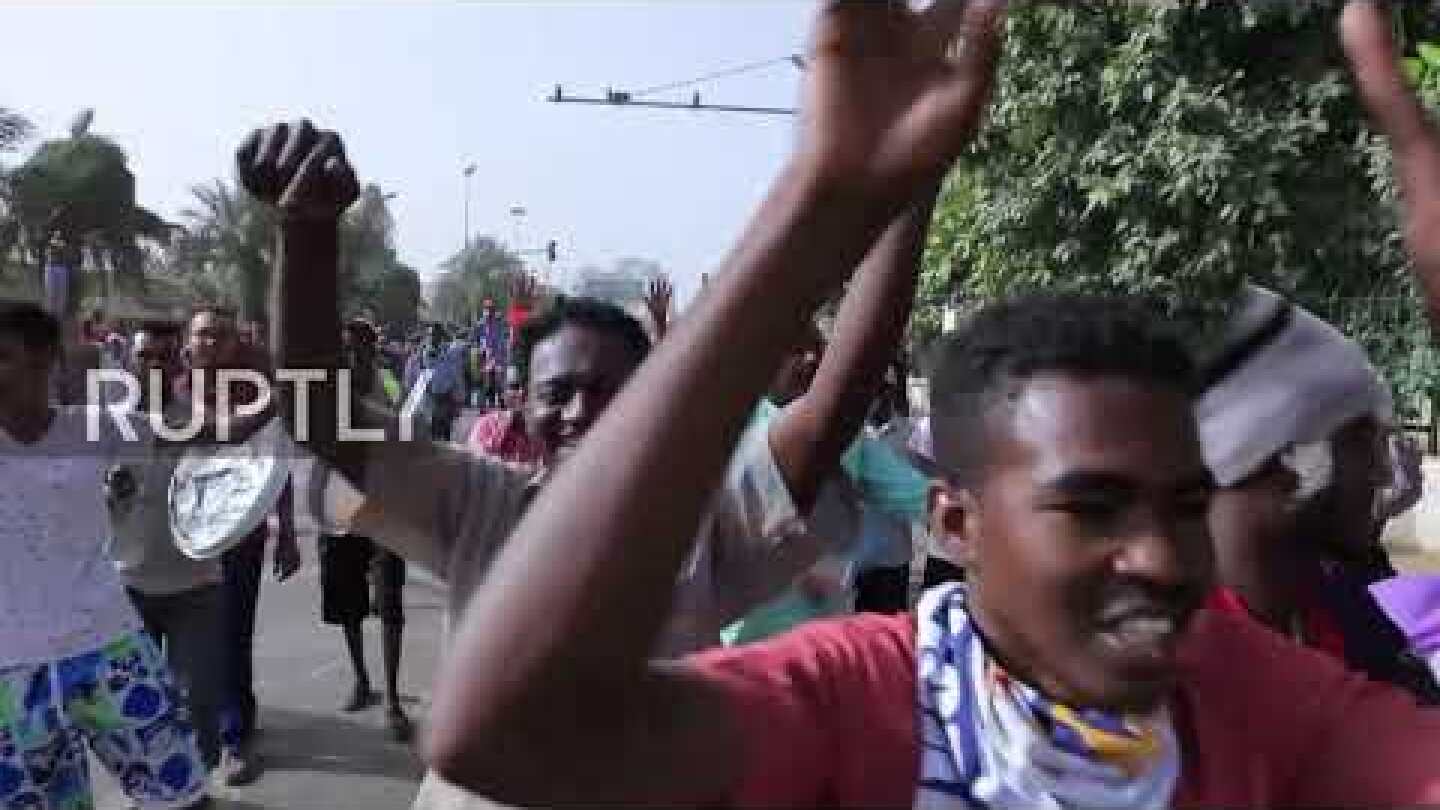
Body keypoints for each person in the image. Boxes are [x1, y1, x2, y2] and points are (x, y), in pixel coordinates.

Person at [422, 2, 1440, 805]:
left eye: (1183, 507)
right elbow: (512, 732)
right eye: (1092, 508)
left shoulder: (1254, 697)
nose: (1166, 559)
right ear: (955, 521)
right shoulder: (866, 701)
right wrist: (812, 208)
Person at [235, 101, 930, 806]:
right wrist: (306, 231)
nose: (579, 413)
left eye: (607, 392)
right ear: (523, 408)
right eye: (557, 392)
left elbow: (836, 403)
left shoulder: (702, 520)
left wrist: (907, 180)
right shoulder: (476, 499)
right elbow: (317, 412)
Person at [0, 300, 210, 809]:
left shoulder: (95, 428)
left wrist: (286, 400)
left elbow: (209, 433)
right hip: (12, 673)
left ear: (46, 359)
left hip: (109, 647)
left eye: (1, 356)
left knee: (180, 797)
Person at [1197, 284, 1440, 702]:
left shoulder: (1343, 612)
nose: (1385, 472)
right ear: (1286, 458)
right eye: (1362, 443)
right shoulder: (1179, 677)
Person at [181, 305, 301, 786]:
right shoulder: (173, 393)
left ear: (235, 344)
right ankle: (206, 725)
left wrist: (286, 532)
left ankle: (234, 737)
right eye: (202, 336)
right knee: (189, 640)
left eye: (219, 336)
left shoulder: (256, 396)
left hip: (240, 536)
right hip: (182, 536)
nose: (209, 344)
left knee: (232, 632)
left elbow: (277, 465)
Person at [106, 322, 227, 773]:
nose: (154, 366)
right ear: (131, 363)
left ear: (179, 362)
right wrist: (106, 489)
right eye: (145, 357)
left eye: (164, 357)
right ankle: (154, 793)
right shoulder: (104, 426)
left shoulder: (201, 424)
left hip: (194, 585)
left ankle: (197, 785)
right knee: (138, 715)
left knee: (197, 706)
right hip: (127, 588)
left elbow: (230, 491)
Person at [317, 319, 412, 741]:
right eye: (347, 349)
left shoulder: (390, 384)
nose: (354, 356)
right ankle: (362, 681)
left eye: (362, 348)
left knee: (390, 601)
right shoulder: (323, 392)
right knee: (347, 602)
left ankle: (391, 698)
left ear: (374, 351)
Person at [464, 364, 541, 466]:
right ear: (503, 394)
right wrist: (505, 427)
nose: (521, 392)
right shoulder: (486, 423)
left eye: (525, 388)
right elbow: (474, 454)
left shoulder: (533, 429)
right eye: (514, 387)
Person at [404, 323, 467, 440]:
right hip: (425, 400)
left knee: (443, 437)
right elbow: (410, 381)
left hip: (444, 400)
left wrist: (459, 401)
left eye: (435, 335)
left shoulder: (450, 356)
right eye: (430, 335)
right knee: (425, 436)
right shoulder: (418, 357)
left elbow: (457, 377)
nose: (432, 338)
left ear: (441, 337)